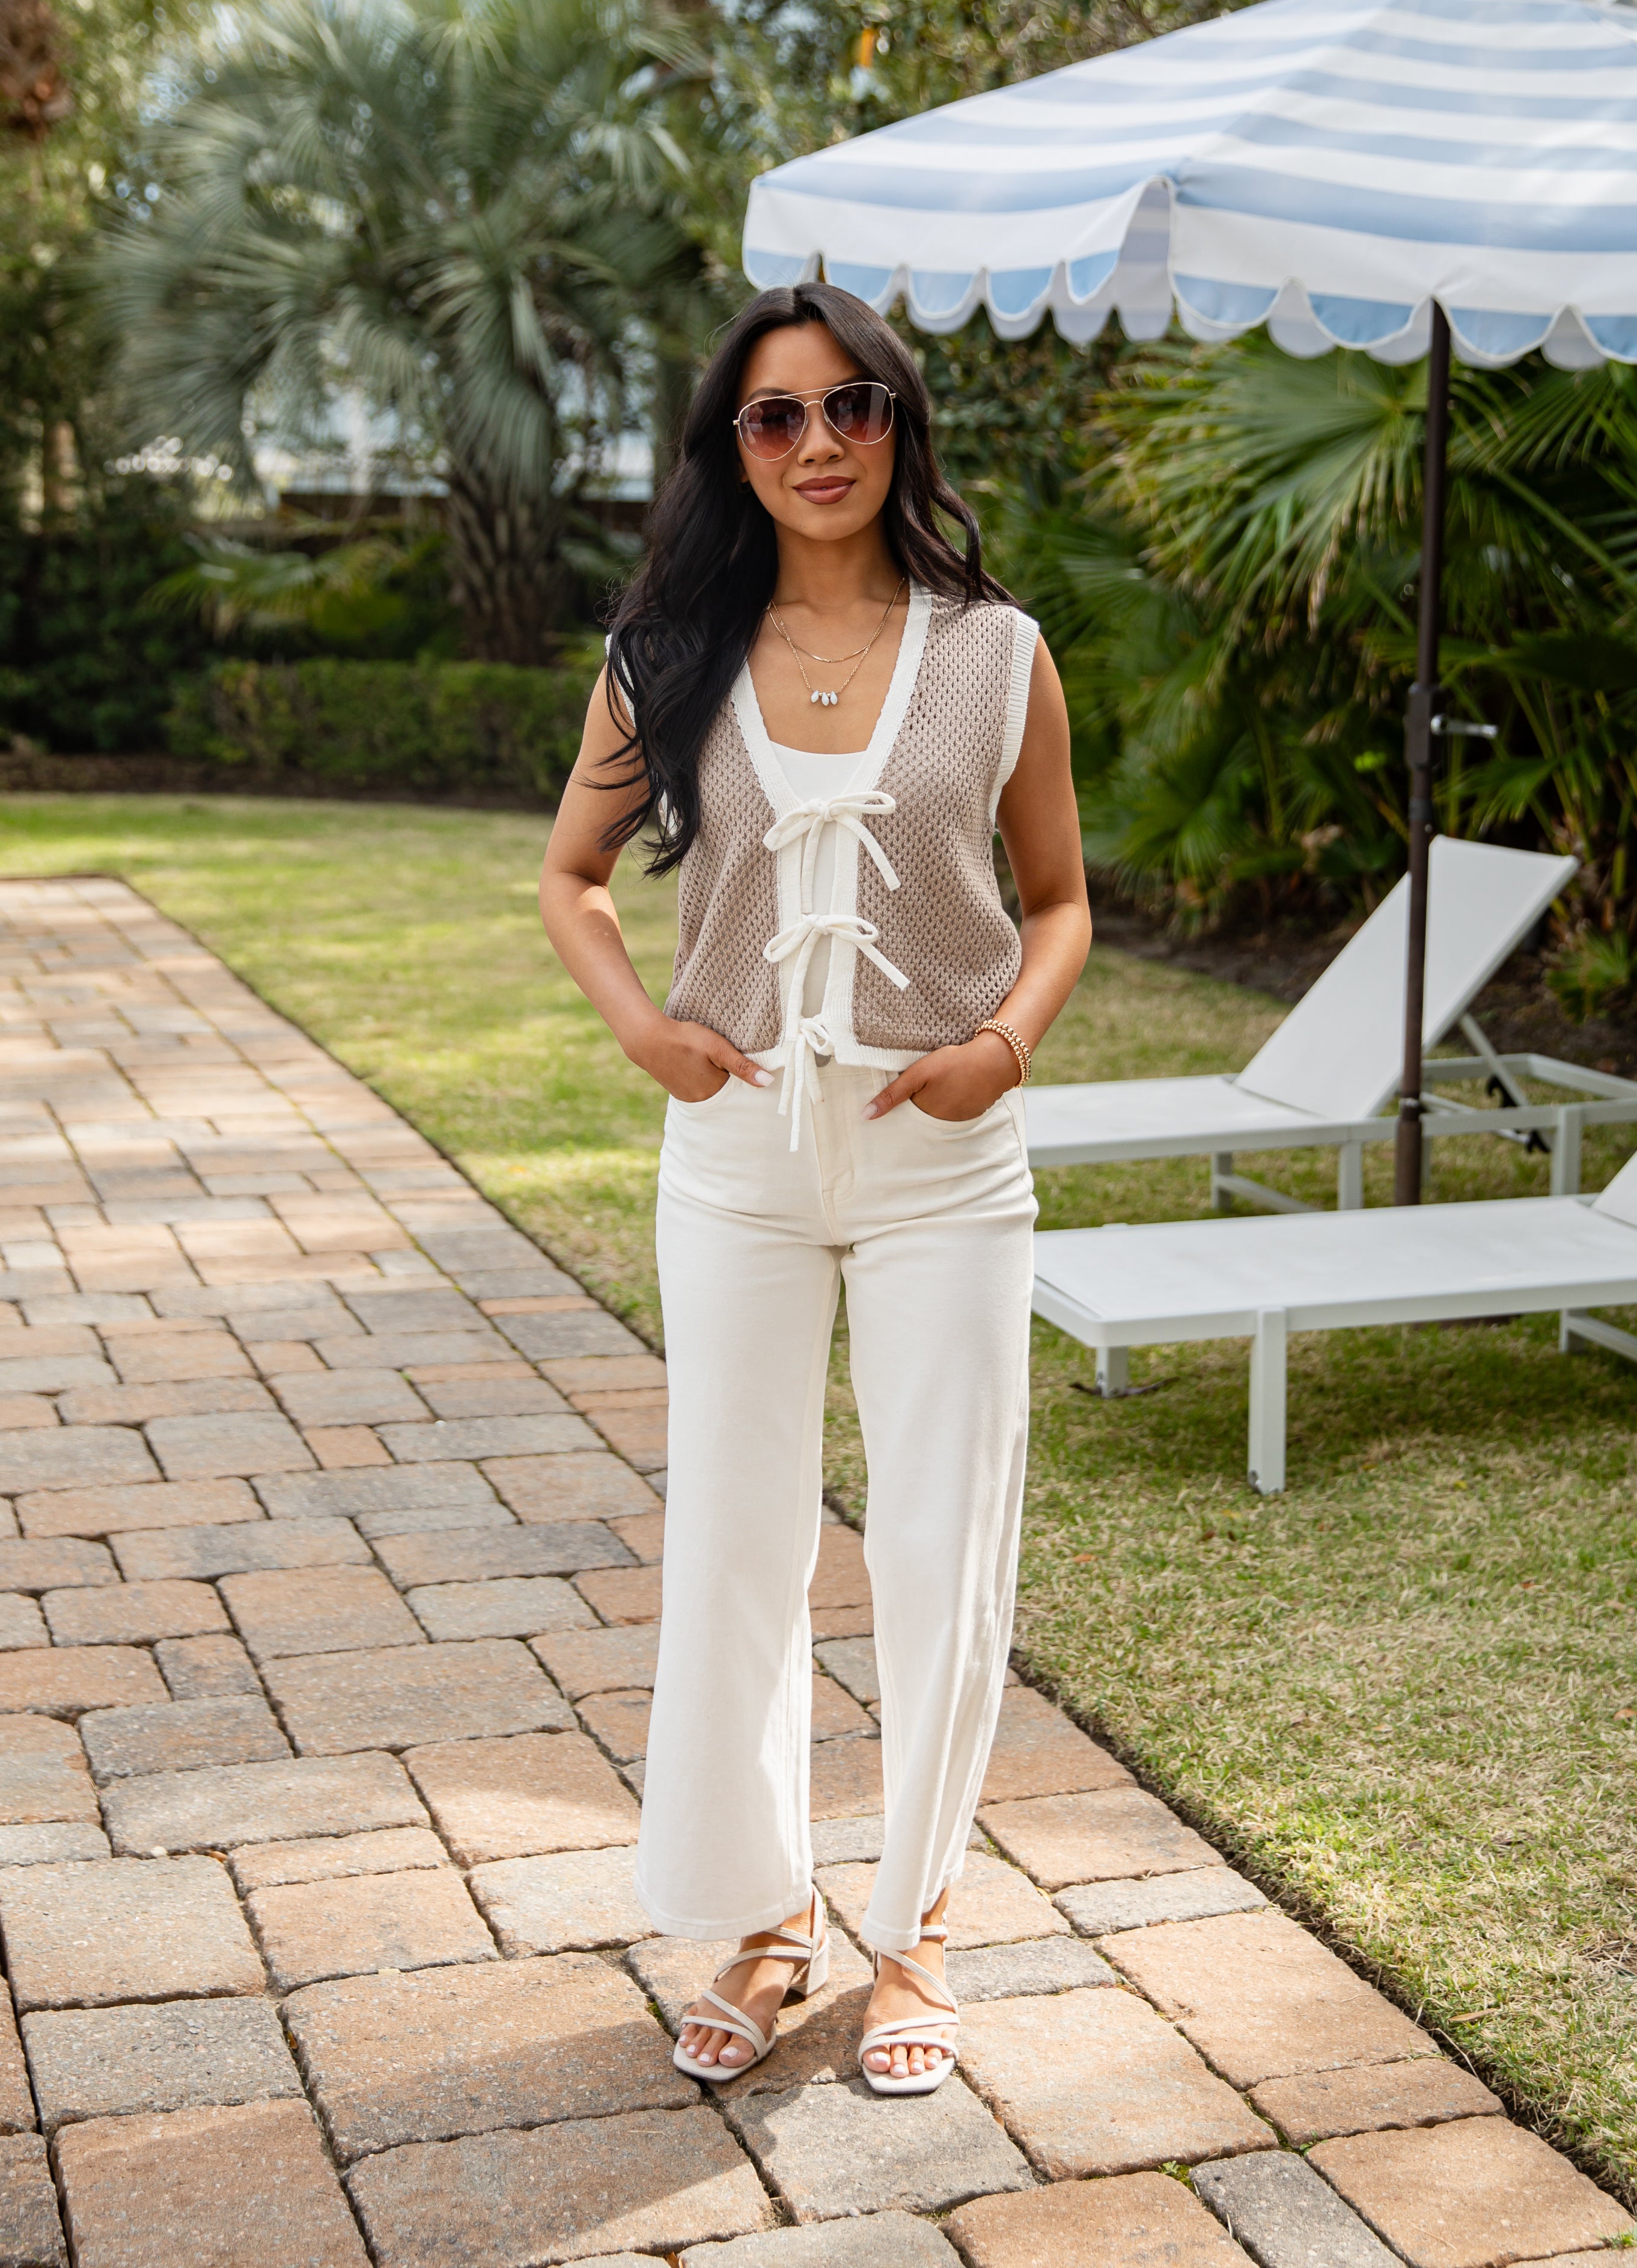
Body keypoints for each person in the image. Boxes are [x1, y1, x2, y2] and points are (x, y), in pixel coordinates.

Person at [540, 281, 1091, 2093]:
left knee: (941, 1546)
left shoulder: (996, 653)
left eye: (849, 406)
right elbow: (571, 876)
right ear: (732, 451)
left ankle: (916, 1921)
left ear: (896, 422)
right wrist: (640, 1029)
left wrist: (1002, 1045)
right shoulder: (664, 654)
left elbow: (1064, 898)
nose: (818, 445)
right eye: (774, 419)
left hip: (947, 1159)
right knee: (738, 1547)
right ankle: (763, 1918)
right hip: (737, 1159)